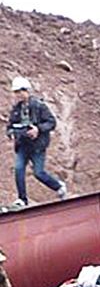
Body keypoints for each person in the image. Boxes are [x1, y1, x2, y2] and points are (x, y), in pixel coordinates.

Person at [4, 76, 67, 211]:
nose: (17, 95)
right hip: (22, 145)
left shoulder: (39, 106)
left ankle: (58, 186)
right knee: (19, 170)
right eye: (16, 92)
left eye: (19, 91)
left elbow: (51, 122)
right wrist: (10, 131)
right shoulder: (16, 109)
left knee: (39, 173)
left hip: (37, 146)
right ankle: (22, 199)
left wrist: (38, 129)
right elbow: (10, 124)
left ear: (26, 90)